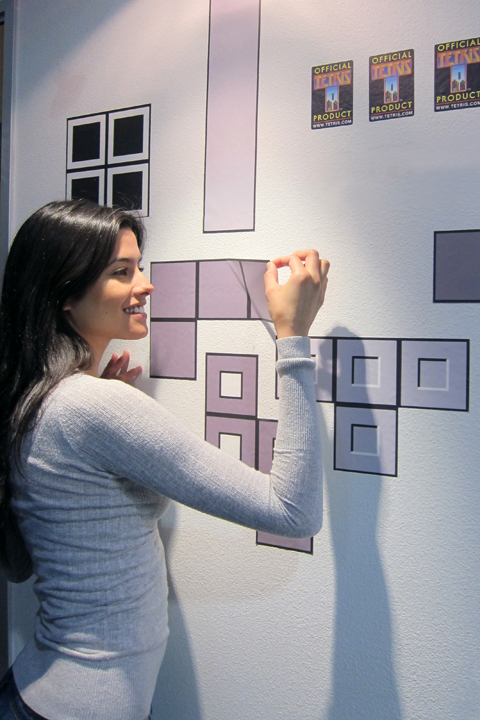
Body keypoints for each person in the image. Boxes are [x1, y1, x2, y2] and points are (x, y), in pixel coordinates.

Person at [0, 199, 329, 720]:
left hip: (46, 696)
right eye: (122, 271)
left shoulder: (39, 398)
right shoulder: (87, 405)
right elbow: (293, 511)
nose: (146, 285)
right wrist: (293, 336)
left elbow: (24, 559)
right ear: (64, 294)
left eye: (139, 267)